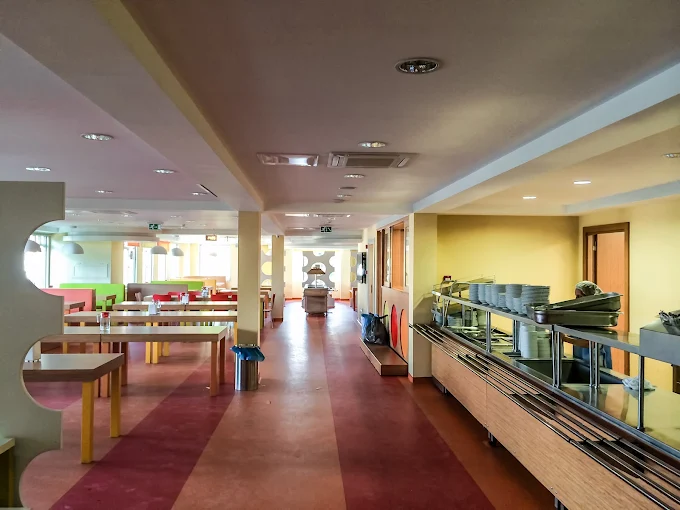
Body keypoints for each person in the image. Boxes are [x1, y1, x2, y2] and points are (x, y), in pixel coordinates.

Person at [569, 281, 613, 369]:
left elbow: (589, 343)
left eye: (579, 296)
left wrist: (565, 339)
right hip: (584, 363)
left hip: (597, 365)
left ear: (589, 297)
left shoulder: (598, 318)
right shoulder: (583, 316)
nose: (576, 300)